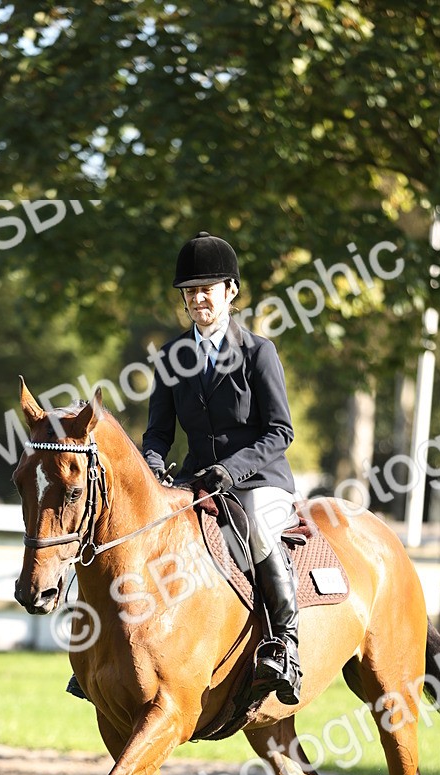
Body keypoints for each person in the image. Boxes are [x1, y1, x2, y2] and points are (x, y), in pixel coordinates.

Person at [142, 231, 302, 706]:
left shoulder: (258, 352)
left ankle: (284, 645)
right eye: (190, 291)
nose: (198, 298)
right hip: (196, 480)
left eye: (207, 289)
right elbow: (157, 433)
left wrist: (231, 471)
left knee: (255, 531)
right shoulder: (171, 358)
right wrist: (152, 466)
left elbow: (280, 432)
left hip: (257, 480)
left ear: (230, 291)